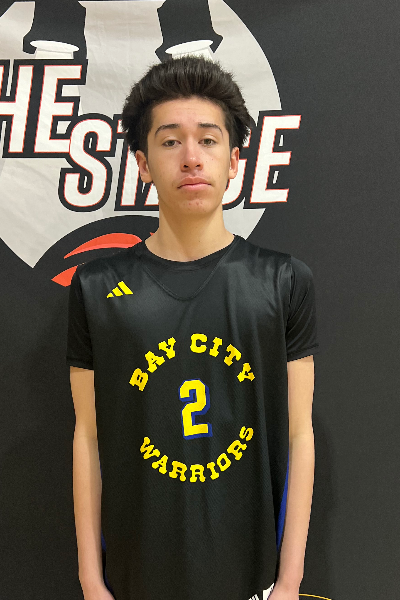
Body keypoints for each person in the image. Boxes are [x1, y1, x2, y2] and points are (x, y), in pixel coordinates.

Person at [67, 55, 319, 600]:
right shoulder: (96, 286)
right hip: (136, 576)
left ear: (234, 160)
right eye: (169, 141)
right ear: (142, 163)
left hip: (252, 575)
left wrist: (290, 580)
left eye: (208, 140)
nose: (191, 158)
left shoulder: (282, 280)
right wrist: (90, 579)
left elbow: (299, 432)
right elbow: (88, 435)